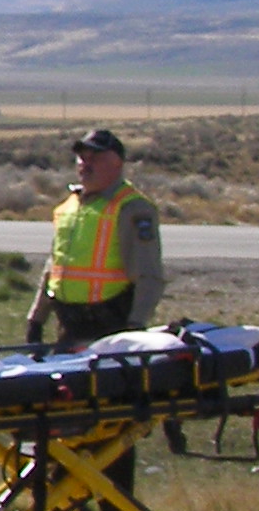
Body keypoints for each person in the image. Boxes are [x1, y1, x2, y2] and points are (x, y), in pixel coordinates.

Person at [25, 127, 165, 348]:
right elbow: (55, 267)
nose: (85, 164)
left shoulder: (132, 208)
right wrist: (36, 320)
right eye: (82, 157)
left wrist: (135, 327)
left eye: (95, 157)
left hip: (110, 327)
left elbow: (149, 274)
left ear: (117, 163)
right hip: (69, 326)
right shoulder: (68, 207)